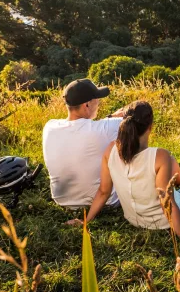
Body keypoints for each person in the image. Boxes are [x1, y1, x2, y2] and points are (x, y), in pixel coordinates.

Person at [74, 100, 180, 240]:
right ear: (150, 127)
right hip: (168, 219)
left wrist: (85, 221)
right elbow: (167, 201)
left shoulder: (111, 150)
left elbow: (103, 191)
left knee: (173, 166)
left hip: (135, 220)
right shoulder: (159, 156)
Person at [43, 78, 126, 208]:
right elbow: (134, 117)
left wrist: (110, 118)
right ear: (86, 105)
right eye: (97, 99)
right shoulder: (106, 128)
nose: (99, 103)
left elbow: (86, 129)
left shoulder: (50, 127)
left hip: (62, 200)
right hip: (106, 202)